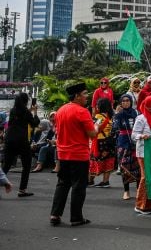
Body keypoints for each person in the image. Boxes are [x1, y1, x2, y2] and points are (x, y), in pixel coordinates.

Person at [50, 82, 97, 226]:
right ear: (77, 96)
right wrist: (98, 126)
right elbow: (92, 134)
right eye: (84, 94)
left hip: (63, 154)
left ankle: (55, 214)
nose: (86, 97)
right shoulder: (82, 112)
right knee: (78, 186)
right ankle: (76, 217)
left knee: (62, 184)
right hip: (79, 155)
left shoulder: (60, 110)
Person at [2, 92, 40, 197]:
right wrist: (35, 112)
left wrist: (29, 112)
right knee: (26, 165)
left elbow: (12, 123)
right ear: (26, 101)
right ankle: (22, 190)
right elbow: (35, 123)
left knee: (6, 165)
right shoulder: (26, 112)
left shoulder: (13, 111)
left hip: (10, 139)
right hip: (21, 141)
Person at [112, 94, 139, 200]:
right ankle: (126, 191)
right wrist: (117, 116)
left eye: (127, 100)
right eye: (123, 101)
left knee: (138, 167)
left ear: (131, 102)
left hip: (136, 141)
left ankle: (138, 189)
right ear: (121, 103)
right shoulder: (119, 115)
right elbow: (114, 128)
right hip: (123, 142)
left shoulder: (136, 113)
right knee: (124, 166)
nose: (125, 102)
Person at [89, 98, 115, 188]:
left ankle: (90, 180)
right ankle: (105, 181)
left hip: (100, 142)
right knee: (108, 160)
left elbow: (96, 128)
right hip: (108, 141)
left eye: (97, 105)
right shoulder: (110, 116)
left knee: (94, 160)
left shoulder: (99, 117)